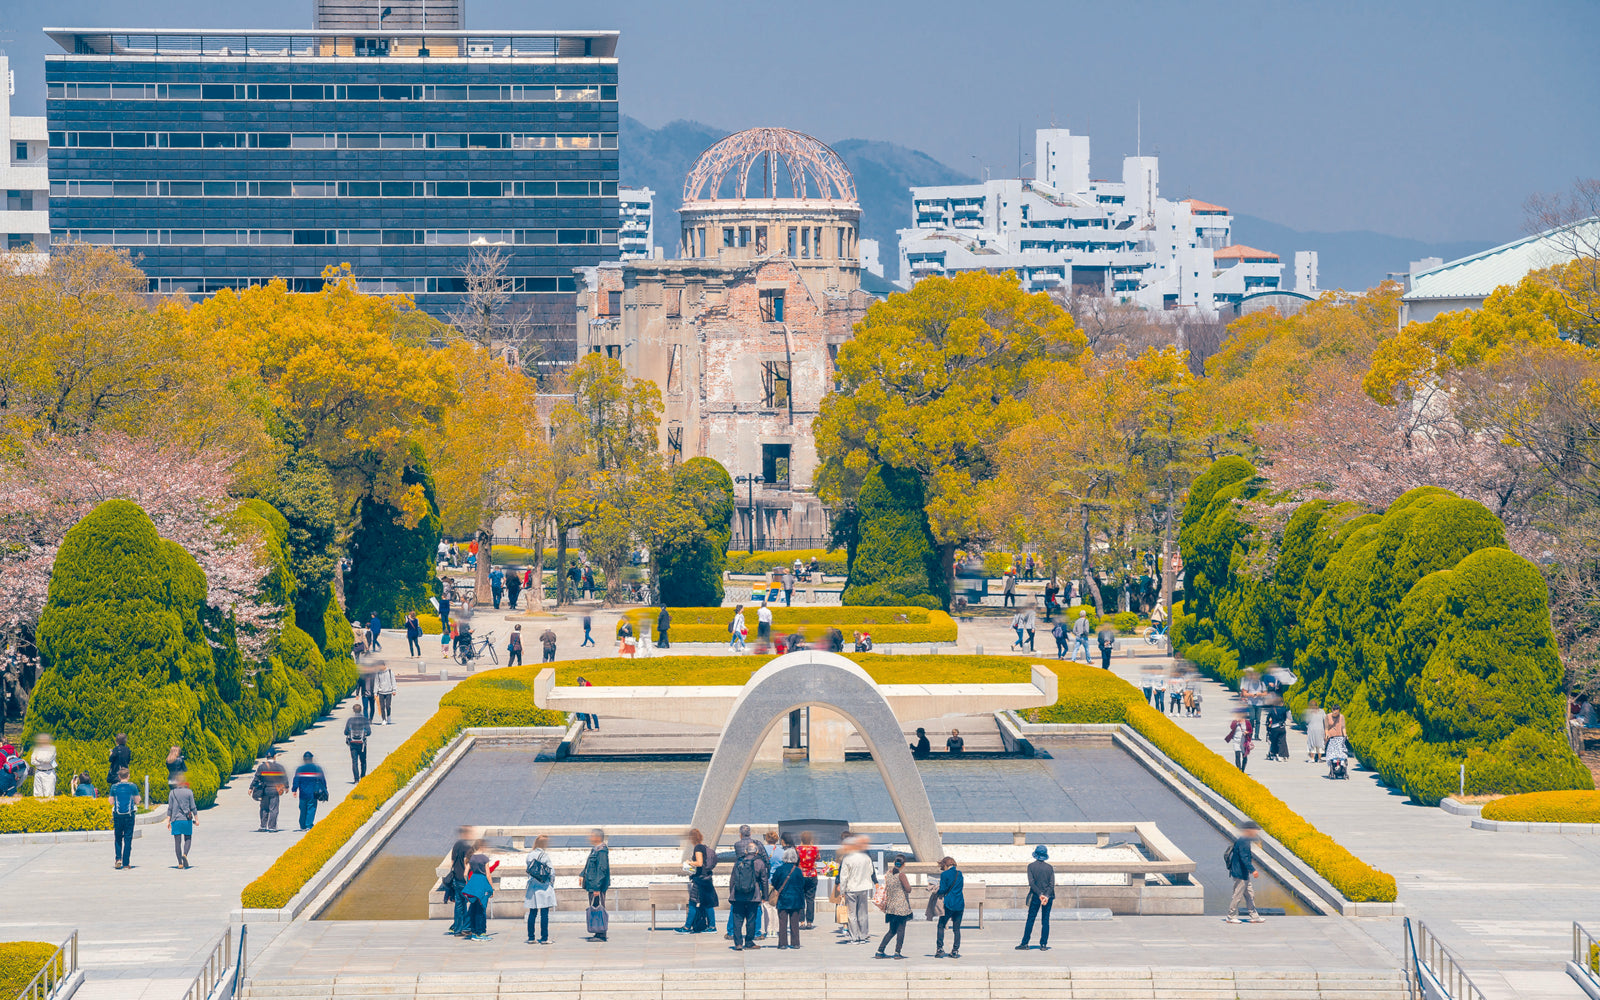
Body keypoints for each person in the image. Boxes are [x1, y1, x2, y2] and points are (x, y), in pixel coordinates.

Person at [728, 841, 769, 951]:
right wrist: (765, 896)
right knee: (751, 920)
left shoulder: (739, 861)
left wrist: (732, 893)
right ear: (757, 851)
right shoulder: (760, 862)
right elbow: (764, 880)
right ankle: (749, 942)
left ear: (746, 851)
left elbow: (732, 879)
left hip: (738, 895)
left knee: (737, 920)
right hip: (753, 896)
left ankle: (738, 943)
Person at [873, 854, 913, 959]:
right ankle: (897, 952)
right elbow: (908, 889)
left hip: (890, 907)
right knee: (901, 930)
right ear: (903, 864)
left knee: (892, 930)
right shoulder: (901, 875)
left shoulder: (888, 874)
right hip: (901, 907)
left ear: (895, 863)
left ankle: (880, 951)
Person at [838, 833, 875, 944]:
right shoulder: (866, 858)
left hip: (851, 889)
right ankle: (863, 936)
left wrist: (842, 891)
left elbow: (843, 877)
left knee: (852, 914)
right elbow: (871, 871)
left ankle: (854, 937)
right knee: (863, 913)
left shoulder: (847, 859)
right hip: (864, 888)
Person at [1017, 844, 1056, 950]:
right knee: (1045, 920)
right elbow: (1051, 885)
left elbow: (1032, 883)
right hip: (1048, 897)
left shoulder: (1031, 866)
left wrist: (1040, 895)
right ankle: (1043, 944)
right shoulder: (1049, 868)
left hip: (1035, 896)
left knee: (1030, 919)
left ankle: (1025, 943)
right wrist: (1046, 896)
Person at [1225, 822, 1265, 924]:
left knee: (1250, 894)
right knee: (1237, 895)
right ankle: (1231, 916)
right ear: (1249, 830)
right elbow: (1244, 858)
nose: (1256, 832)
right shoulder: (1243, 842)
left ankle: (1254, 916)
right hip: (1240, 873)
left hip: (1244, 873)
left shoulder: (1244, 840)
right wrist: (1253, 870)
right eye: (1255, 830)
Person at [678, 828, 715, 934]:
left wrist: (689, 862)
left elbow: (699, 863)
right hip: (707, 879)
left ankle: (687, 927)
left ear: (692, 838)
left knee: (692, 903)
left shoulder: (698, 848)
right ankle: (712, 926)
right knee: (708, 904)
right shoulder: (704, 847)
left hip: (700, 880)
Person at [524, 834, 556, 944]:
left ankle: (531, 937)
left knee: (532, 913)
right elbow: (551, 872)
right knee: (544, 914)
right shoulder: (544, 855)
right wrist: (551, 883)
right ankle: (544, 938)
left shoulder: (530, 855)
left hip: (532, 887)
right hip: (543, 887)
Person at [772, 845, 805, 950]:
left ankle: (782, 943)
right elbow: (802, 884)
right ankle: (795, 943)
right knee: (794, 922)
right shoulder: (798, 870)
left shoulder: (779, 869)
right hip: (796, 899)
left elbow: (774, 882)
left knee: (782, 922)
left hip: (783, 898)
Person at [462, 841, 497, 941]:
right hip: (482, 882)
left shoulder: (471, 858)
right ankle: (481, 933)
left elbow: (465, 873)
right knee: (481, 909)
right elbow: (488, 875)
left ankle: (474, 933)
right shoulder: (484, 858)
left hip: (473, 881)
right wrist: (492, 888)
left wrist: (468, 882)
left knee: (473, 908)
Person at [581, 828, 610, 941]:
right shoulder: (595, 850)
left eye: (592, 836)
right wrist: (582, 874)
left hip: (597, 886)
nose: (590, 838)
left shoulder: (601, 851)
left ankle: (601, 933)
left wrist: (597, 887)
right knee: (595, 908)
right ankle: (597, 931)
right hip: (592, 884)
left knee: (599, 908)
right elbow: (589, 865)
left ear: (598, 837)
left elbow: (602, 869)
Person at [933, 856, 965, 959]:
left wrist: (935, 889)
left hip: (949, 904)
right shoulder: (960, 874)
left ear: (945, 865)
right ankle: (955, 951)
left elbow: (943, 889)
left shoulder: (944, 874)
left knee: (941, 925)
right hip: (960, 904)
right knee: (956, 929)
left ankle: (939, 949)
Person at [109, 766, 141, 869]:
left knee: (118, 837)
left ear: (119, 776)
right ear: (128, 776)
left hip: (117, 815)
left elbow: (111, 801)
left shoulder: (114, 787)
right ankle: (126, 863)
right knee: (128, 838)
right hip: (129, 815)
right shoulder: (133, 786)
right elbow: (137, 801)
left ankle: (118, 859)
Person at [250, 750, 288, 832]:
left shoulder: (262, 767)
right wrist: (286, 787)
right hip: (275, 790)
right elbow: (284, 778)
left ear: (266, 757)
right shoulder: (279, 767)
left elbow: (256, 778)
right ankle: (272, 827)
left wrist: (251, 788)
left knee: (264, 808)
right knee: (273, 809)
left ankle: (263, 826)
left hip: (264, 790)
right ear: (274, 756)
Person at [446, 828, 474, 936]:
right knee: (472, 904)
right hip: (464, 880)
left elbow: (452, 861)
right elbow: (468, 864)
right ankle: (466, 928)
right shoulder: (467, 847)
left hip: (456, 879)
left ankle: (457, 930)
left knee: (459, 905)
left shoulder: (457, 845)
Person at [167, 773, 198, 869]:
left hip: (175, 820)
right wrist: (196, 819)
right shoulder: (189, 792)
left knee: (177, 842)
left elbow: (170, 808)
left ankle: (180, 863)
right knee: (188, 838)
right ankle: (185, 854)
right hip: (186, 820)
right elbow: (193, 807)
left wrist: (168, 821)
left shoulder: (172, 793)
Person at [292, 751, 328, 830]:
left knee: (303, 809)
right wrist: (325, 789)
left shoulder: (300, 769)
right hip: (313, 793)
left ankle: (302, 825)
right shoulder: (317, 768)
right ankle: (308, 825)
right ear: (311, 759)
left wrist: (294, 789)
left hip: (303, 793)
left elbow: (296, 780)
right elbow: (322, 780)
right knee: (311, 809)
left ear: (304, 759)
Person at [796, 830, 820, 928]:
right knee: (810, 899)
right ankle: (809, 922)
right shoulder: (815, 848)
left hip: (800, 875)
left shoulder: (797, 849)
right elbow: (818, 858)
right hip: (812, 875)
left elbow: (796, 860)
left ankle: (801, 921)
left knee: (800, 898)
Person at [345, 704, 372, 782]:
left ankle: (356, 779)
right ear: (361, 710)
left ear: (353, 710)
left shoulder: (350, 720)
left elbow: (345, 732)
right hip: (362, 744)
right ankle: (363, 777)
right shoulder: (365, 720)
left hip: (353, 743)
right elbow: (369, 732)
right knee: (363, 761)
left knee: (354, 761)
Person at [29, 733, 56, 798]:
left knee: (48, 795)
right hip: (38, 772)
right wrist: (43, 762)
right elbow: (32, 761)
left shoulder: (52, 748)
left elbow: (48, 759)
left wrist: (38, 758)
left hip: (48, 773)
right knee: (37, 795)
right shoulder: (37, 749)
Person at [1304, 698, 1327, 763]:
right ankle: (1319, 758)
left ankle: (1312, 758)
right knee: (1320, 744)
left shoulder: (1308, 712)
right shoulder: (1322, 711)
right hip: (1320, 730)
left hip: (1312, 730)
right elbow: (1325, 719)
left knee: (1312, 744)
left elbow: (1306, 721)